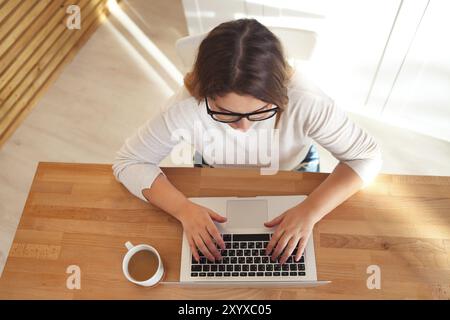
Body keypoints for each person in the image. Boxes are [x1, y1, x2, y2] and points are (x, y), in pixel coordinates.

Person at [112, 19, 382, 265]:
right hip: (214, 170)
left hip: (294, 170)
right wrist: (183, 209)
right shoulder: (187, 105)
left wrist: (311, 210)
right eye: (225, 113)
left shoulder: (307, 100)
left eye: (259, 112)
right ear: (204, 93)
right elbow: (129, 161)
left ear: (280, 91)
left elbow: (367, 156)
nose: (243, 127)